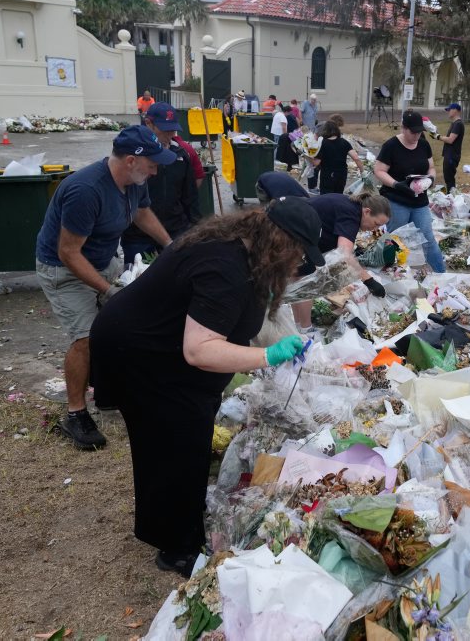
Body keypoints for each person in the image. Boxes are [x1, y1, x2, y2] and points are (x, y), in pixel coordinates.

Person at [89, 197, 325, 576]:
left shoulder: (243, 249)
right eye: (298, 252)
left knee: (187, 440)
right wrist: (268, 356)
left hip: (163, 349)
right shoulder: (225, 269)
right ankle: (176, 547)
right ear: (281, 243)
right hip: (141, 354)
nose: (298, 261)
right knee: (173, 446)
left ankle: (180, 519)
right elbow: (199, 350)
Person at [35, 126, 175, 450]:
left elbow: (141, 213)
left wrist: (171, 246)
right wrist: (107, 290)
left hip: (103, 260)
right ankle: (75, 414)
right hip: (64, 270)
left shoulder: (134, 181)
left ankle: (110, 393)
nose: (155, 171)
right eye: (151, 164)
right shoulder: (85, 190)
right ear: (130, 161)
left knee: (120, 328)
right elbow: (68, 252)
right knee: (85, 339)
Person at [289, 192, 392, 329]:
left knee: (299, 281)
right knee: (306, 284)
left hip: (298, 233)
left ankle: (298, 326)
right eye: (376, 224)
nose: (375, 229)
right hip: (293, 234)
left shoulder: (350, 206)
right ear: (367, 212)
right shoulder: (351, 215)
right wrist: (369, 280)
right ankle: (305, 329)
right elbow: (344, 254)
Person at [121, 103, 200, 265]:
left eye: (173, 129)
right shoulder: (134, 156)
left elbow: (190, 196)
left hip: (176, 231)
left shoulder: (180, 155)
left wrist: (196, 228)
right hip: (139, 236)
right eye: (164, 129)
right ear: (148, 123)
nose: (169, 134)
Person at [374, 110, 446, 273]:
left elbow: (431, 167)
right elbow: (379, 170)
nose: (416, 135)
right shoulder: (391, 146)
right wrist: (396, 184)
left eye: (419, 132)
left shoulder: (423, 144)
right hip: (396, 199)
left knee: (428, 238)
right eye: (413, 132)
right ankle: (391, 274)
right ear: (403, 128)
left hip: (419, 201)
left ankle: (441, 273)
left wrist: (431, 179)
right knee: (396, 239)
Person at [314, 119, 365, 194]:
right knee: (339, 194)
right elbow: (356, 158)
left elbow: (316, 163)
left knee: (326, 196)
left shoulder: (322, 143)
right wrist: (362, 171)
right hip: (341, 174)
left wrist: (307, 156)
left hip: (327, 174)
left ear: (325, 131)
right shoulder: (344, 142)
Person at [432, 102, 465, 193]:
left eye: (449, 110)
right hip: (449, 154)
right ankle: (450, 195)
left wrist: (437, 137)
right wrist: (437, 135)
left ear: (455, 110)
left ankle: (451, 196)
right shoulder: (454, 123)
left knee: (449, 178)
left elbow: (450, 140)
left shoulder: (458, 124)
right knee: (448, 177)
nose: (448, 112)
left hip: (452, 155)